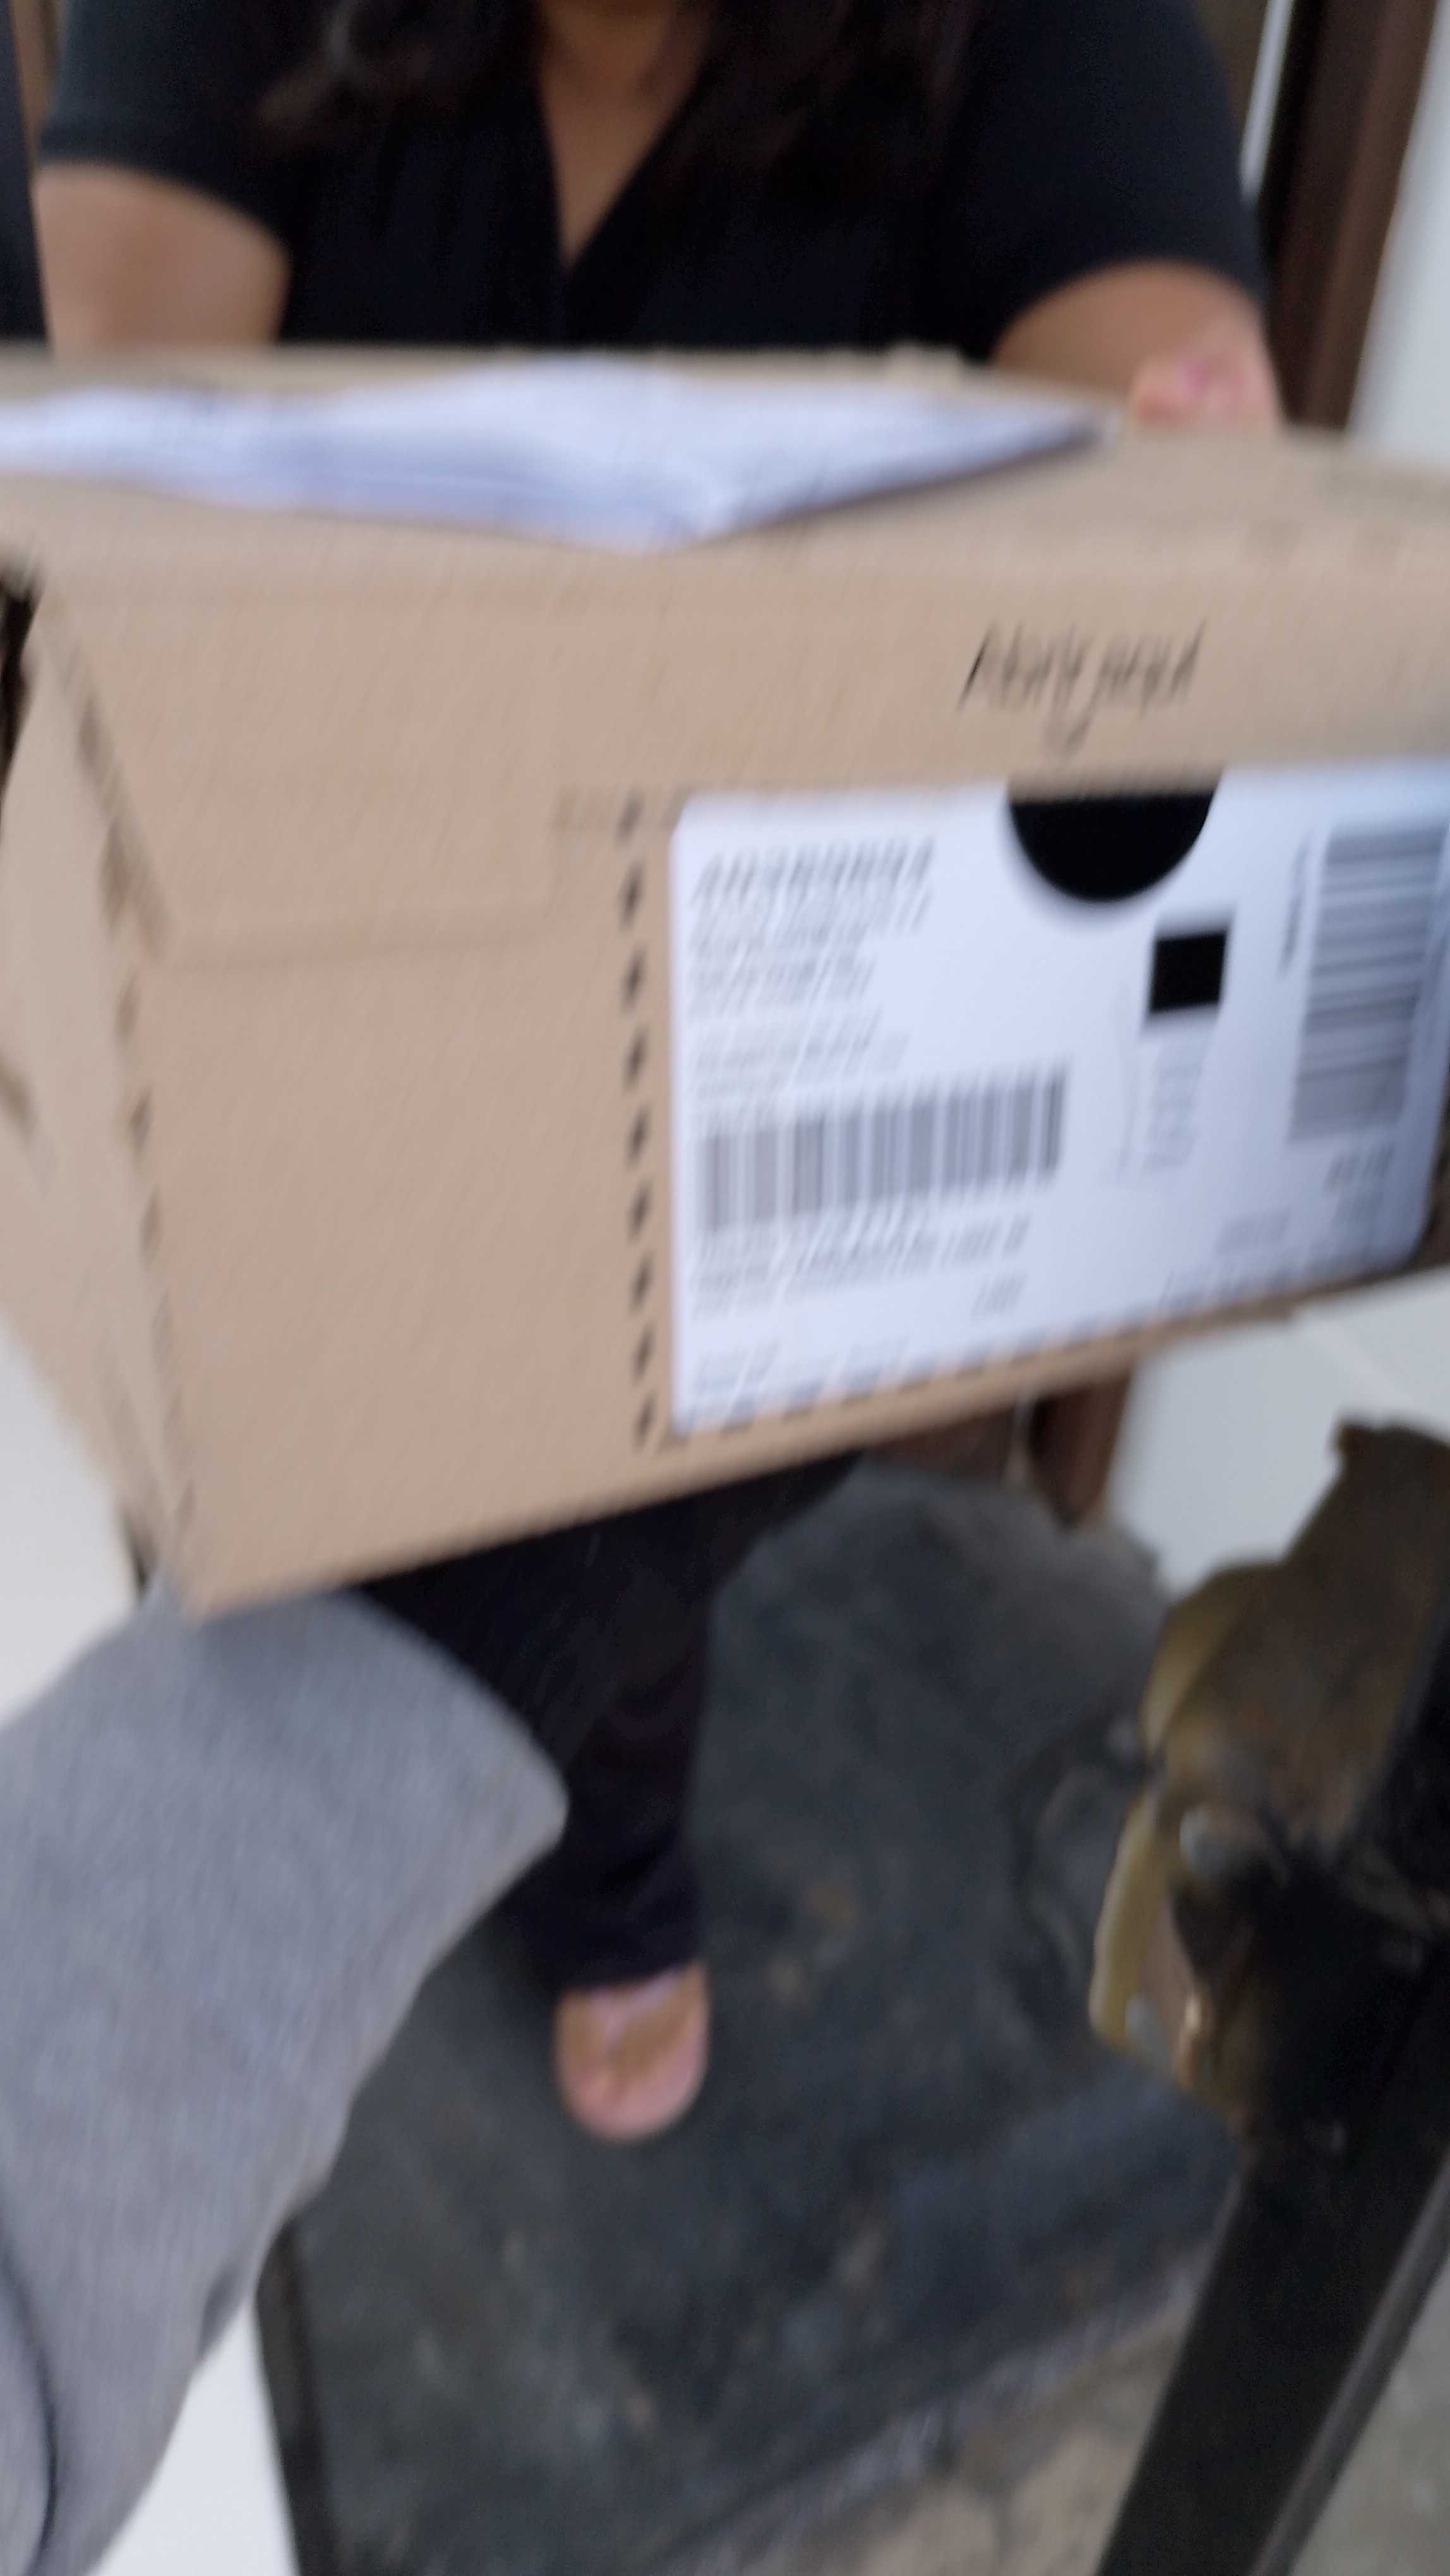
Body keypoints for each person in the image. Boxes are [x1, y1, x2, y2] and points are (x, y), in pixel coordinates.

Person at [32, 0, 1278, 2150]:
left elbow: (1166, 504)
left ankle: (607, 1860)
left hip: (726, 1035)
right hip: (275, 962)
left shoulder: (1032, 40)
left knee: (611, 1538)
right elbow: (94, 456)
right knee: (248, 1447)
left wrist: (1174, 541)